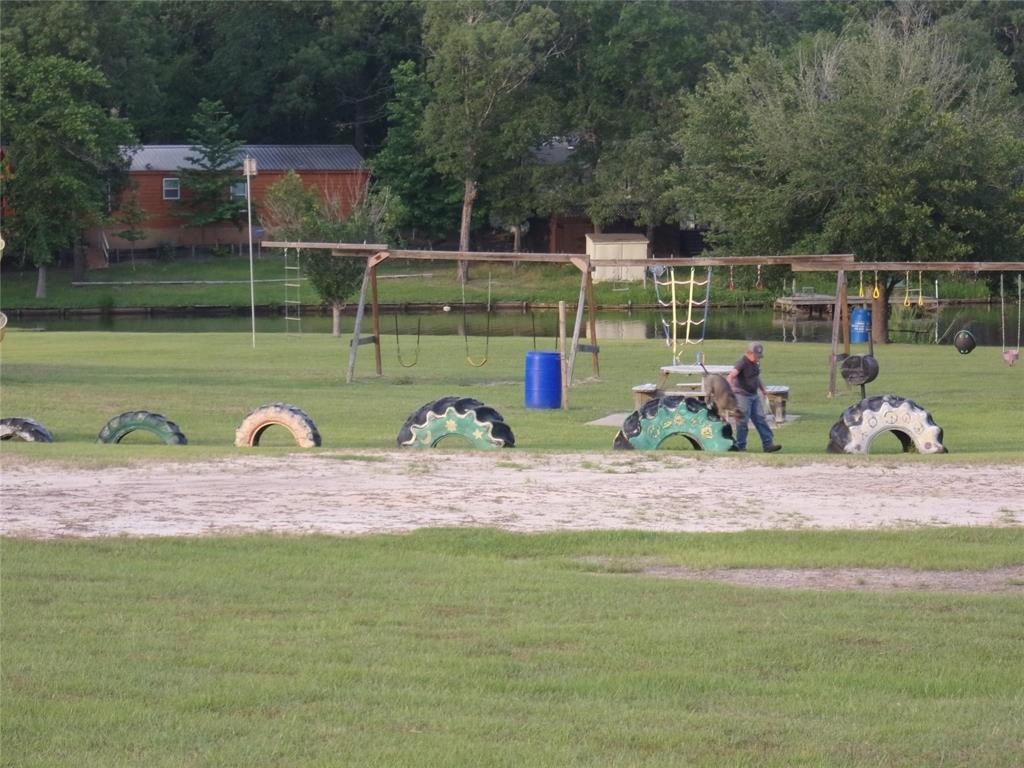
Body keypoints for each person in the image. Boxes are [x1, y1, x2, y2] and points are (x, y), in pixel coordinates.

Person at [726, 341, 781, 453]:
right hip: (742, 396)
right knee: (742, 421)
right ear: (750, 353)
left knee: (760, 419)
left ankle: (768, 445)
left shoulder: (756, 363)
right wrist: (731, 390)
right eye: (756, 356)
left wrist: (763, 389)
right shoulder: (742, 362)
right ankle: (741, 446)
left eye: (759, 356)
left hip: (754, 395)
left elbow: (756, 377)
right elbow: (731, 376)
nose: (758, 358)